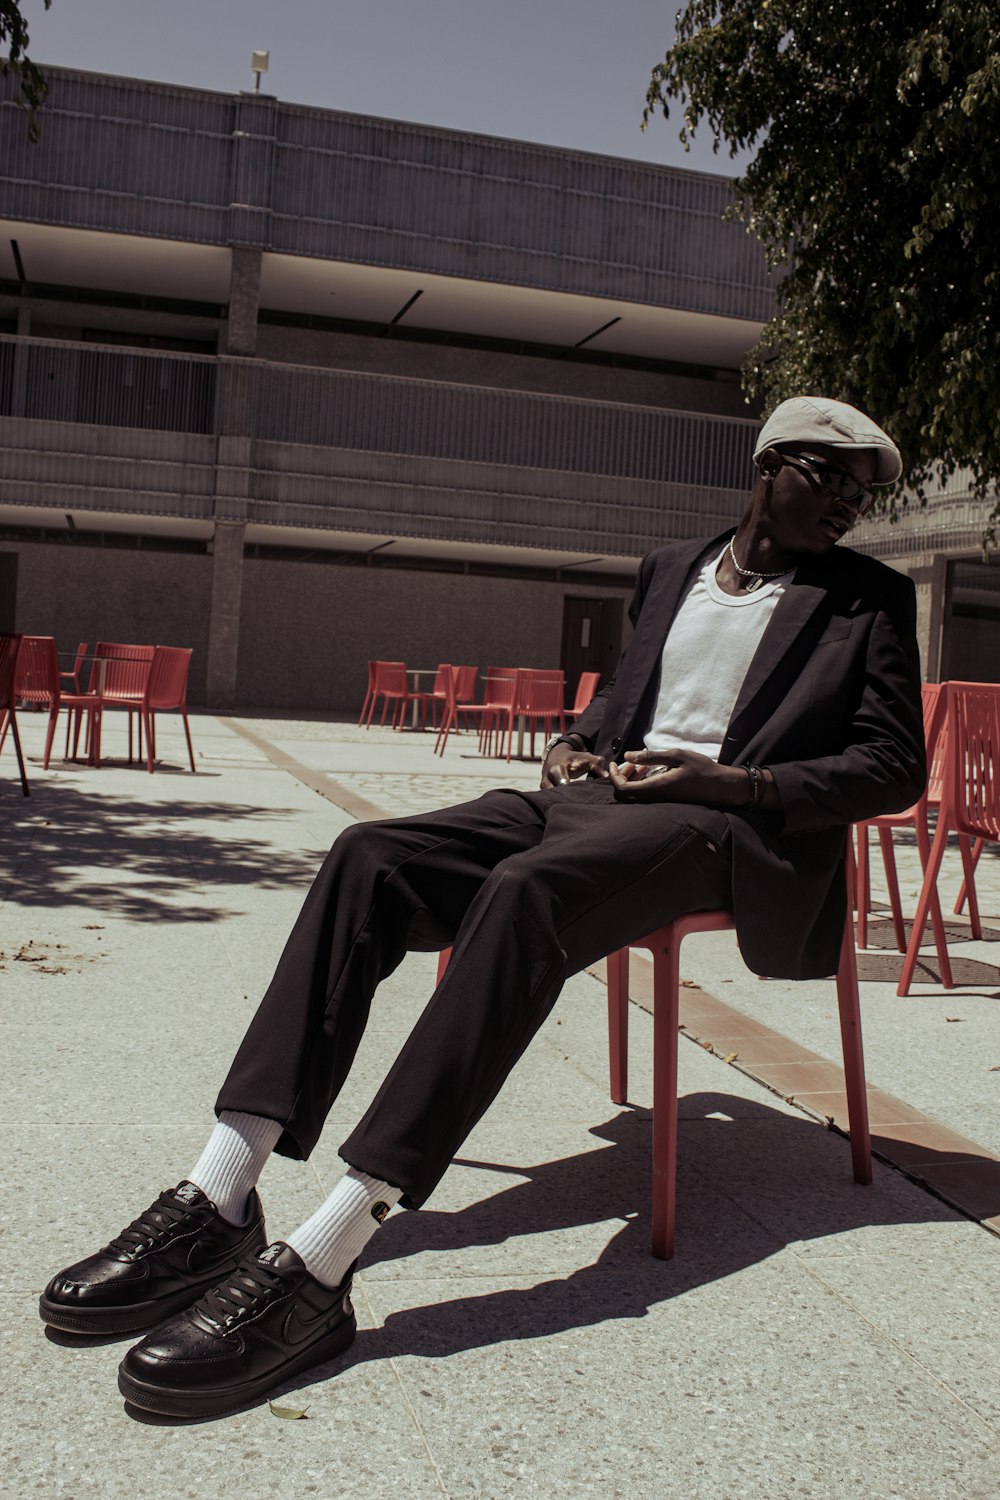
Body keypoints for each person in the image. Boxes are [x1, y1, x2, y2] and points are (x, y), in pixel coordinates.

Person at [40, 396, 926, 1420]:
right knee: (368, 857)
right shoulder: (670, 568)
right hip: (592, 799)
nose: (852, 506)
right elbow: (619, 701)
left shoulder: (866, 599)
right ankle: (221, 1193)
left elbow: (889, 765)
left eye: (867, 492)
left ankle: (328, 1254)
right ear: (769, 464)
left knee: (522, 895)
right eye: (834, 477)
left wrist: (730, 784)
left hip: (725, 829)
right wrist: (575, 742)